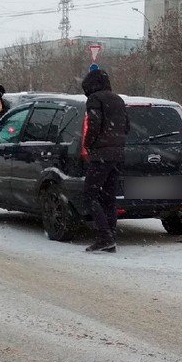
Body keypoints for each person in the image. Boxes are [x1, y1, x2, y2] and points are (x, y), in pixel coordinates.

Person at [80, 65, 129, 254]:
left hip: (101, 155)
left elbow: (94, 124)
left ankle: (104, 237)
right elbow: (127, 127)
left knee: (89, 195)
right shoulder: (118, 99)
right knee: (109, 198)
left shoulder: (95, 99)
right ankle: (112, 237)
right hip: (118, 154)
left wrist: (88, 144)